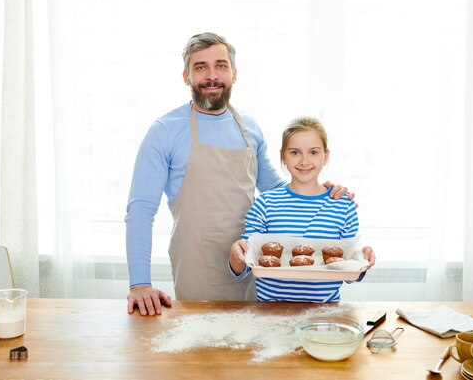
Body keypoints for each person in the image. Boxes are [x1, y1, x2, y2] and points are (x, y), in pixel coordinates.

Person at [125, 32, 352, 315]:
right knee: (204, 349)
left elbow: (278, 191)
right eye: (200, 67)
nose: (212, 75)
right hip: (198, 266)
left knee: (252, 346)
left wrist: (324, 192)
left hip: (254, 262)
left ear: (234, 73)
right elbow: (141, 209)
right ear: (186, 76)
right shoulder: (165, 131)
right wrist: (139, 284)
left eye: (220, 65)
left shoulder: (250, 128)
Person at [229, 116, 375, 302]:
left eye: (313, 152)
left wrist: (363, 259)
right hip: (271, 314)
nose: (304, 161)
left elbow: (350, 273)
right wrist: (236, 254)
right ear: (283, 156)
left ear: (326, 156)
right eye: (295, 152)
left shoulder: (343, 205)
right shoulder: (265, 203)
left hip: (325, 315)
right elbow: (244, 269)